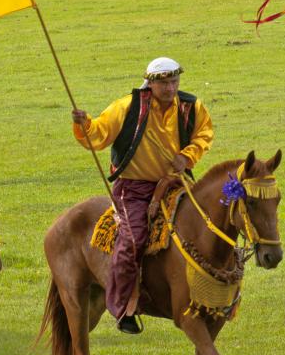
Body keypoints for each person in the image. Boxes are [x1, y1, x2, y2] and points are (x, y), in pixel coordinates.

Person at [71, 58, 214, 334]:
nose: (170, 88)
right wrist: (85, 124)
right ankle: (123, 307)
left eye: (174, 82)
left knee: (208, 222)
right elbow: (98, 134)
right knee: (133, 239)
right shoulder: (127, 107)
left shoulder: (191, 107)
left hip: (174, 183)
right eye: (163, 83)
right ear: (150, 83)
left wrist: (187, 156)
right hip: (134, 190)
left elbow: (204, 135)